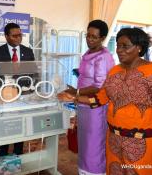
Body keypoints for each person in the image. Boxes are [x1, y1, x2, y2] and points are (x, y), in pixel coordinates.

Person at [58, 27, 152, 175]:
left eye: (125, 46)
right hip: (113, 139)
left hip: (141, 142)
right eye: (118, 46)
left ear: (139, 48)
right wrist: (74, 97)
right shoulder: (115, 71)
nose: (119, 50)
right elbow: (100, 98)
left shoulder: (150, 72)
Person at [60, 20, 115, 175]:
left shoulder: (103, 57)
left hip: (96, 107)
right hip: (83, 104)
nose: (89, 39)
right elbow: (85, 76)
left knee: (94, 144)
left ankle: (95, 172)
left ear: (103, 38)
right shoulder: (89, 53)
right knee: (84, 142)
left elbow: (99, 86)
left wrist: (76, 92)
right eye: (88, 35)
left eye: (94, 37)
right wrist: (75, 90)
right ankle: (83, 171)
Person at [0, 22, 35, 156]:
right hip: (5, 97)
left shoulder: (28, 51)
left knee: (20, 126)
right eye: (14, 36)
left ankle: (18, 155)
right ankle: (2, 155)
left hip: (22, 96)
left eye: (20, 35)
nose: (18, 38)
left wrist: (30, 90)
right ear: (6, 36)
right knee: (5, 126)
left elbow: (33, 73)